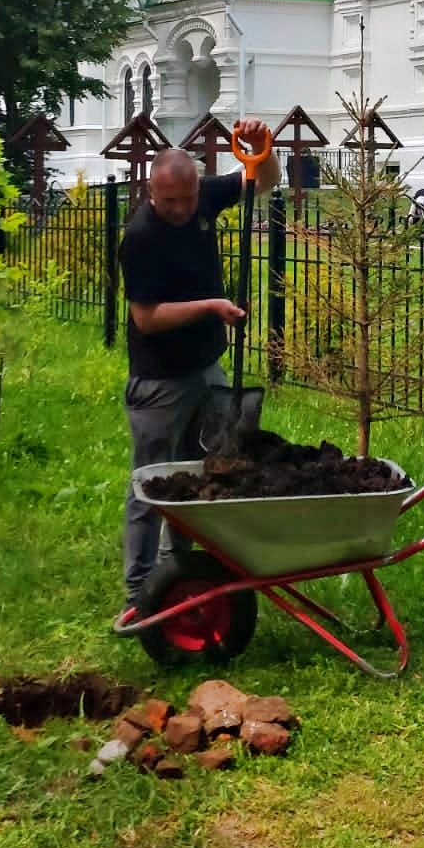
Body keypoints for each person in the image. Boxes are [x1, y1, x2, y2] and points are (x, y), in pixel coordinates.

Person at [119, 119, 280, 605]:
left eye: (189, 198)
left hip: (207, 368)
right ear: (152, 192)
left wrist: (261, 147)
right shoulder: (141, 236)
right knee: (151, 486)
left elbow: (263, 179)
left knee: (199, 476)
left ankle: (184, 572)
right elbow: (146, 318)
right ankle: (138, 592)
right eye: (171, 202)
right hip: (160, 381)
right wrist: (211, 306)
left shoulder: (202, 197)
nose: (184, 209)